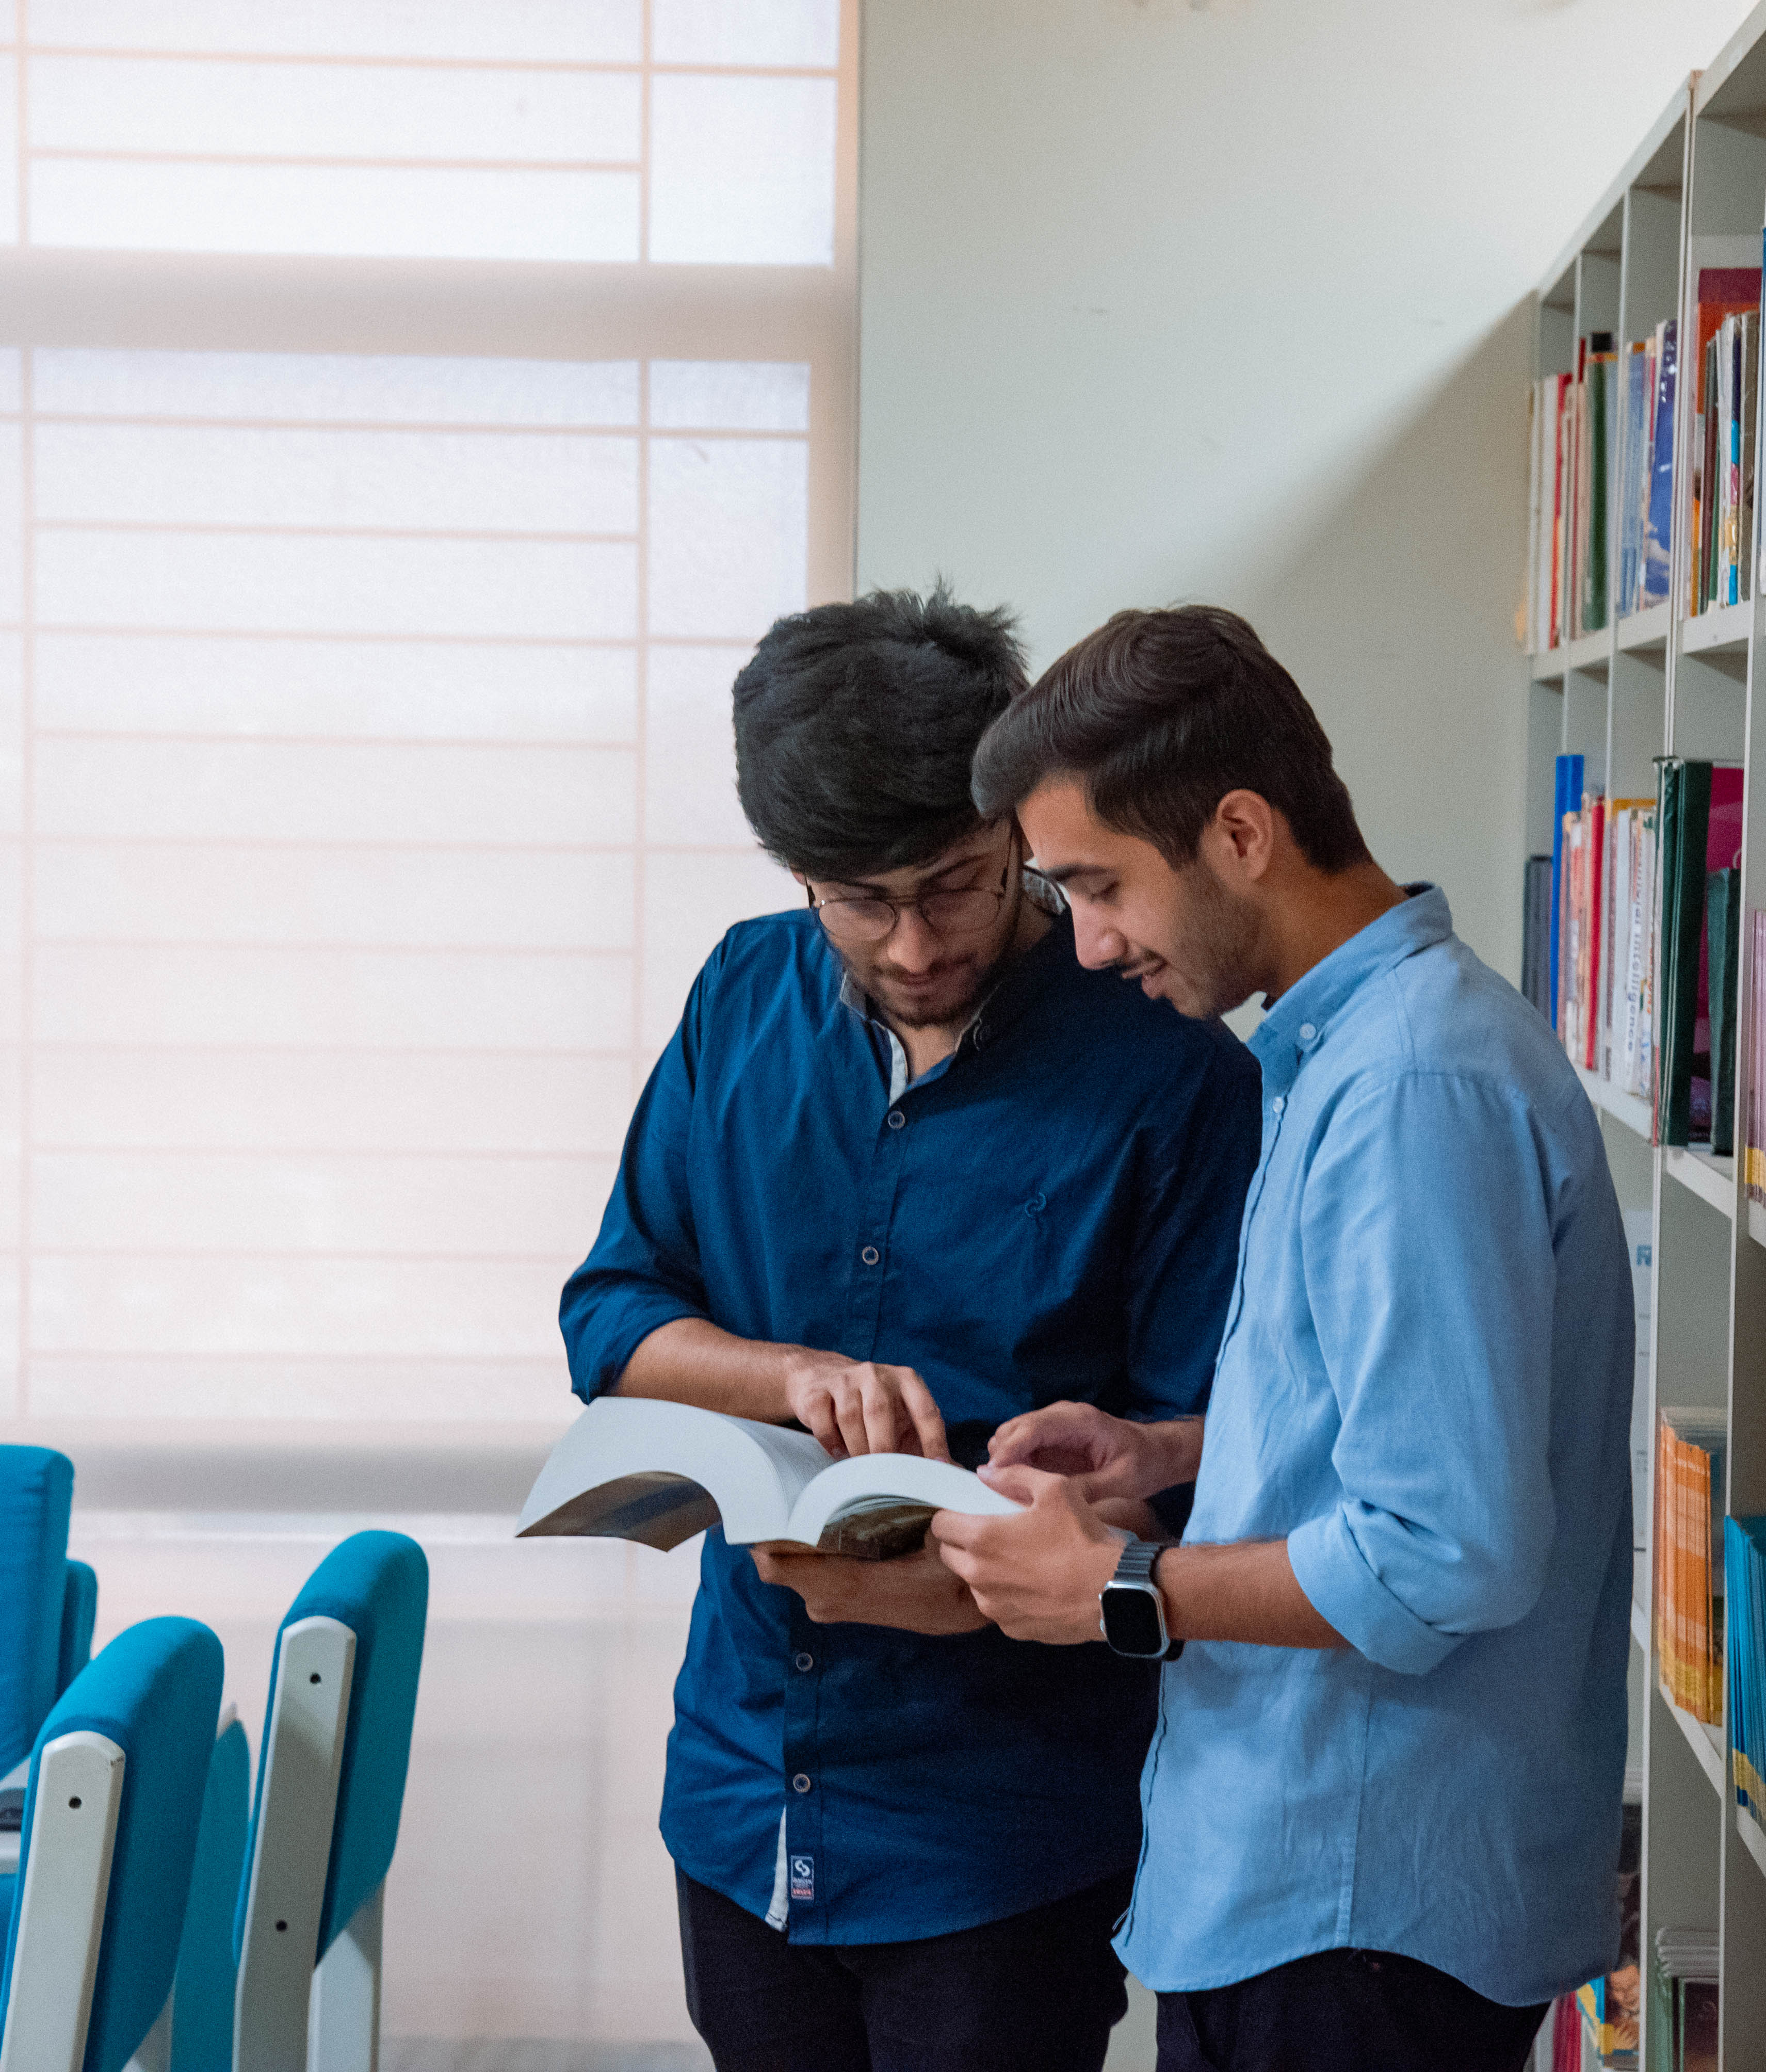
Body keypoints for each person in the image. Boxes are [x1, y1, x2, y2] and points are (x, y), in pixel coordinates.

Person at [557, 586, 1263, 2072]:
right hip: (743, 1788)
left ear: (1016, 828)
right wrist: (791, 1377)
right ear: (796, 875)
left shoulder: (1171, 1068)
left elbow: (1211, 1457)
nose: (917, 943)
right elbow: (611, 1320)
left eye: (955, 884)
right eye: (859, 901)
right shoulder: (742, 991)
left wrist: (998, 1579)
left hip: (1004, 1824)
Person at [930, 605, 1638, 2072]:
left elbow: (1446, 1547)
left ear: (1240, 833)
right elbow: (1410, 1420)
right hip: (1328, 1892)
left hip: (1356, 1910)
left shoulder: (1410, 1089)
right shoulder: (1353, 1051)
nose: (1092, 943)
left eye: (1101, 885)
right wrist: (1180, 1451)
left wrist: (1118, 1588)